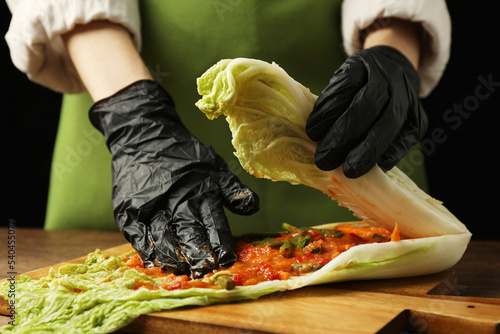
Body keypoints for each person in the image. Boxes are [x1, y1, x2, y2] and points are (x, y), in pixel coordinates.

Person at [5, 0, 451, 278]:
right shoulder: (130, 115)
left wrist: (393, 48)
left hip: (347, 122)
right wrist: (132, 114)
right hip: (115, 89)